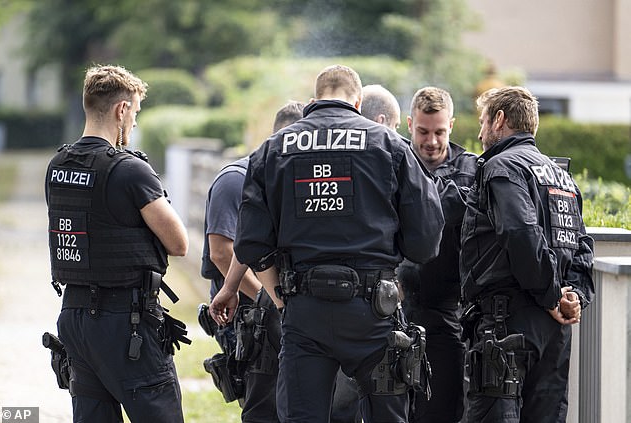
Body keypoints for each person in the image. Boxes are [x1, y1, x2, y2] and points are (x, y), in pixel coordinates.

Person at [231, 64, 446, 422]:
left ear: (314, 100)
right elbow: (426, 240)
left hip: (304, 312)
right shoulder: (388, 144)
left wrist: (282, 299)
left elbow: (250, 244)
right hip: (374, 313)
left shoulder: (272, 150)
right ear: (358, 101)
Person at [44, 65, 189, 422]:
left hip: (74, 317)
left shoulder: (57, 165)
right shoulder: (129, 170)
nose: (135, 124)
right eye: (135, 112)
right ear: (121, 110)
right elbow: (179, 242)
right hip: (125, 323)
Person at [459, 86, 594, 422]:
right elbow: (582, 246)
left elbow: (520, 233)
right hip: (555, 333)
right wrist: (572, 295)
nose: (479, 132)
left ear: (499, 119)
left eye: (482, 121)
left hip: (508, 325)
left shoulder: (501, 167)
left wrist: (550, 297)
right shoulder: (561, 176)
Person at [201, 100, 305, 423]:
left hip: (279, 312)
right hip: (251, 315)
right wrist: (271, 300)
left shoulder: (284, 181)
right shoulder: (237, 179)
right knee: (265, 408)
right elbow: (221, 252)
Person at [397, 86, 477, 423]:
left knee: (442, 407)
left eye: (440, 132)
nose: (431, 141)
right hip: (394, 311)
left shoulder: (472, 170)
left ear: (452, 126)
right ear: (409, 123)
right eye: (423, 131)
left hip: (447, 312)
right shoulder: (392, 161)